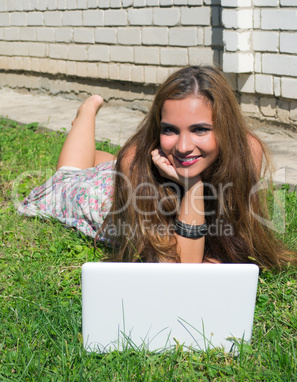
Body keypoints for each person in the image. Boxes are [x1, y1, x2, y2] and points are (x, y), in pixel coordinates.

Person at [17, 65, 295, 270]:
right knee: (67, 177)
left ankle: (101, 152)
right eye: (170, 130)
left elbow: (235, 236)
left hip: (139, 171)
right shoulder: (135, 163)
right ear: (157, 128)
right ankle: (88, 109)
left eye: (200, 129)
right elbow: (180, 265)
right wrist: (194, 186)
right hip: (109, 196)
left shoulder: (247, 150)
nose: (184, 146)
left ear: (227, 128)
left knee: (110, 163)